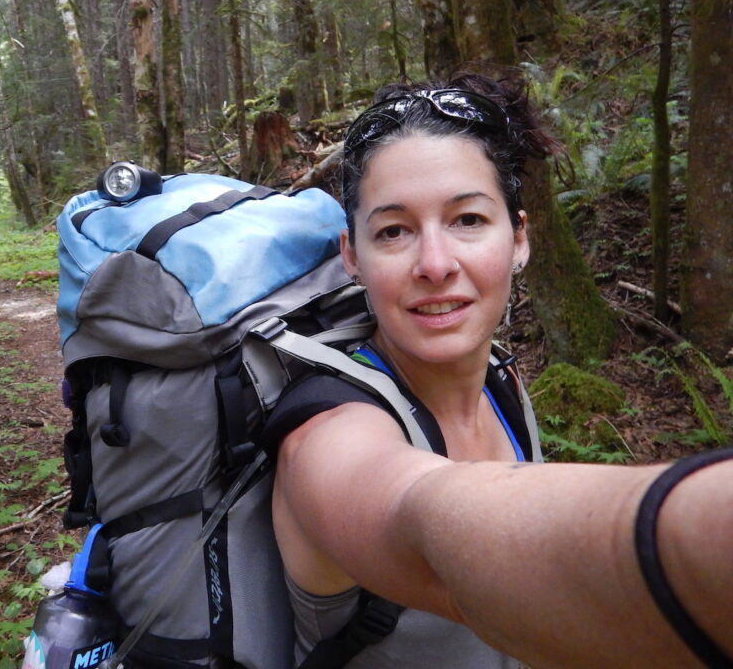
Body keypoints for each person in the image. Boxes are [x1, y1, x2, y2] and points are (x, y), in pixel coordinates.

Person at [266, 71, 733, 669]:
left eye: (468, 220)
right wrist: (696, 550)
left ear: (518, 239)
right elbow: (427, 521)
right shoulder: (324, 439)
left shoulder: (499, 381)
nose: (435, 264)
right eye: (393, 230)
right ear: (352, 256)